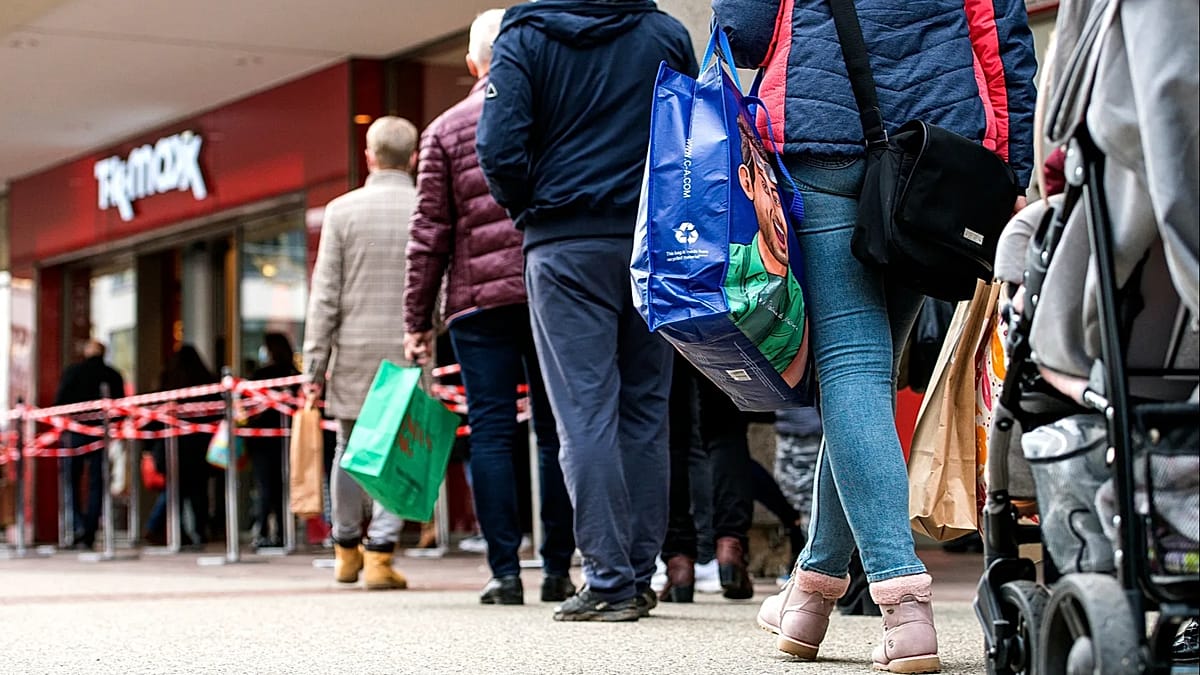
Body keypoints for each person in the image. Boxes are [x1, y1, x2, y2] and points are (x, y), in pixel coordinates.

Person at [713, 1, 1036, 671]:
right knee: (870, 371)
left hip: (820, 134)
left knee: (856, 372)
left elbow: (742, 32)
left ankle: (903, 600)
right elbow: (1001, 38)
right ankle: (811, 591)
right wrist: (1011, 167)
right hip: (935, 150)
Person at [477, 0, 698, 622]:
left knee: (584, 412)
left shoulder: (525, 35)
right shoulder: (666, 33)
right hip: (652, 243)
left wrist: (531, 210)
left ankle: (607, 578)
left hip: (564, 244)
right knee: (646, 411)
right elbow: (694, 133)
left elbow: (497, 145)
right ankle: (637, 571)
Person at [403, 9, 576, 606]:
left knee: (493, 434)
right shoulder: (553, 116)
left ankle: (504, 572)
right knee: (557, 432)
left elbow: (430, 233)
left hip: (477, 304)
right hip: (546, 291)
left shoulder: (444, 131)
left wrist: (417, 321)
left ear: (474, 63)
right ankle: (559, 568)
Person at [303, 116, 419, 591]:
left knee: (348, 451)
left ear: (369, 155)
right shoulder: (425, 207)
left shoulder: (340, 211)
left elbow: (324, 294)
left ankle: (345, 551)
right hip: (407, 352)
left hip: (351, 352)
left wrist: (314, 363)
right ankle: (380, 557)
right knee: (398, 450)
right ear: (413, 158)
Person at [726, 115, 808, 387]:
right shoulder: (726, 263)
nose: (775, 201)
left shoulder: (798, 297)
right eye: (766, 187)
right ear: (747, 183)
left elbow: (791, 383)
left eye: (777, 193)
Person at [142, 345, 220, 548]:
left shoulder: (168, 384)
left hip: (170, 447)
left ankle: (165, 528)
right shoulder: (207, 385)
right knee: (197, 492)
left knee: (175, 489)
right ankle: (198, 532)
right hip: (200, 447)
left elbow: (152, 420)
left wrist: (148, 448)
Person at [53, 339, 125, 550]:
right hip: (100, 434)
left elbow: (60, 401)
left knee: (70, 482)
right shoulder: (112, 374)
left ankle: (78, 526)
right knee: (97, 483)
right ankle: (90, 531)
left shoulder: (74, 371)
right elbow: (120, 407)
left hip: (75, 432)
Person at [245, 333, 299, 550]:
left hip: (263, 441)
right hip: (289, 440)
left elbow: (248, 409)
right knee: (283, 487)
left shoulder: (261, 376)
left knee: (266, 487)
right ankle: (284, 533)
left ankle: (263, 532)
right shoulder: (294, 376)